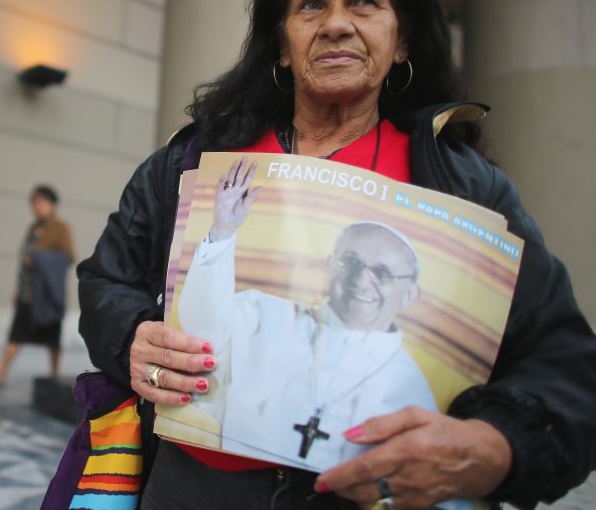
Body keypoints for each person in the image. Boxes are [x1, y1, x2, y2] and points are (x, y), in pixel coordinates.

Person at [76, 0, 596, 510]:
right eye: (310, 5)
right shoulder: (194, 165)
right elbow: (108, 279)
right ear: (281, 42)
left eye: (364, 2)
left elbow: (568, 364)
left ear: (401, 39)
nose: (335, 23)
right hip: (195, 505)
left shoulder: (464, 189)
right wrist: (132, 335)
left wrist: (496, 444)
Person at [179, 193, 438, 469]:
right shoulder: (264, 314)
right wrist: (222, 232)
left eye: (382, 273)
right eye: (350, 262)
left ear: (410, 294)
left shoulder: (412, 385)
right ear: (329, 266)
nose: (361, 281)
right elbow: (202, 323)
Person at [0, 185, 75, 387]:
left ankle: (54, 374)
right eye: (34, 202)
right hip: (27, 292)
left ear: (52, 204)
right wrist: (17, 290)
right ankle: (0, 373)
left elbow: (68, 257)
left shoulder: (59, 227)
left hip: (45, 295)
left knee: (52, 337)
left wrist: (39, 258)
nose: (37, 206)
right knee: (16, 335)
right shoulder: (33, 228)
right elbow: (23, 262)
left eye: (41, 202)